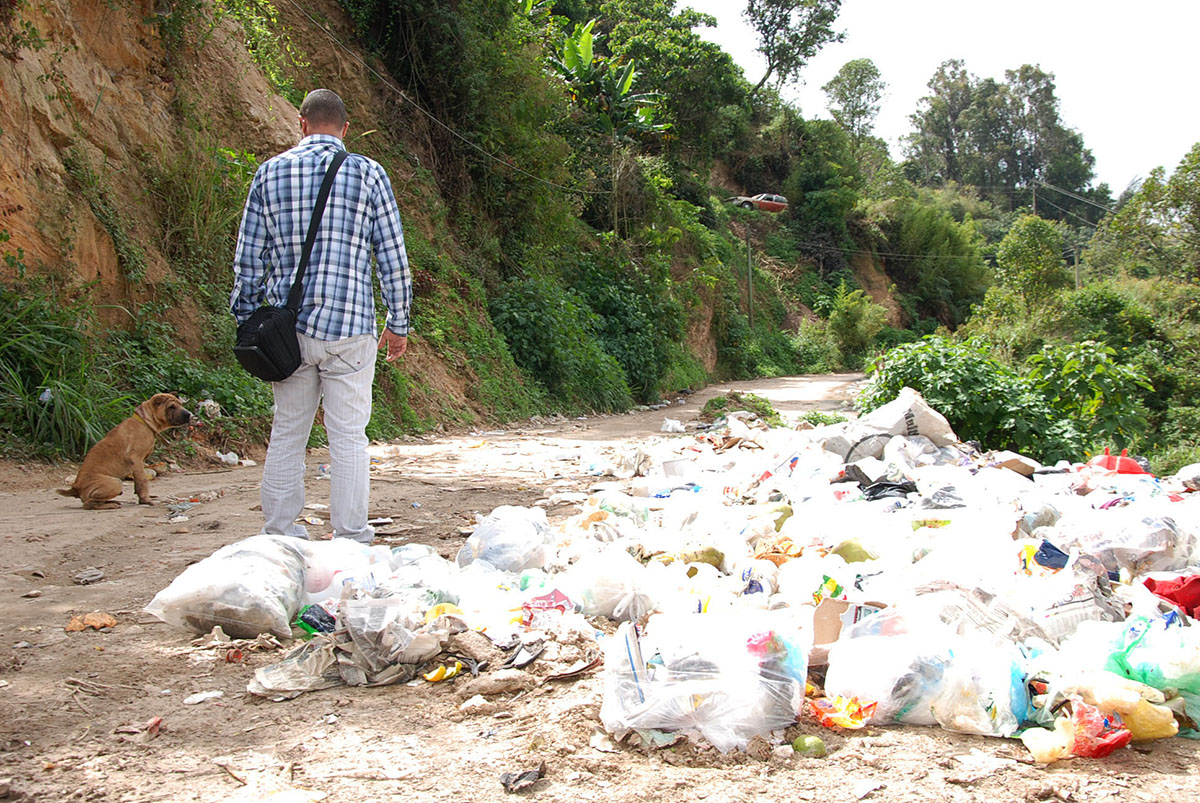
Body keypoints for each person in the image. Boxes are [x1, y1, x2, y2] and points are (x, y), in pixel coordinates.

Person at [231, 88, 411, 544]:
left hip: (287, 333)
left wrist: (248, 319)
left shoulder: (269, 173)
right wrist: (399, 322)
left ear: (301, 123)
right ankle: (350, 536)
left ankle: (280, 534)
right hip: (349, 328)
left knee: (288, 431)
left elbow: (249, 259)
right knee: (348, 436)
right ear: (345, 129)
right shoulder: (368, 174)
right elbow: (392, 256)